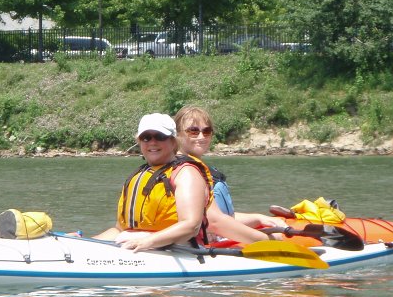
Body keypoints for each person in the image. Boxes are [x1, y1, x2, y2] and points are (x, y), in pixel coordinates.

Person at [94, 113, 212, 252]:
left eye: (160, 136)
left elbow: (190, 226)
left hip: (178, 251)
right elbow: (120, 230)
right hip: (139, 248)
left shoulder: (186, 174)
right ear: (139, 142)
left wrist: (147, 242)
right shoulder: (138, 176)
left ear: (174, 141)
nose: (152, 142)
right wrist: (83, 242)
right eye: (146, 137)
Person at [173, 106, 285, 241]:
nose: (201, 136)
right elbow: (214, 222)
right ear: (178, 134)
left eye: (207, 131)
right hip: (199, 249)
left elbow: (224, 217)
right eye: (193, 131)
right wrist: (268, 241)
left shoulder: (194, 167)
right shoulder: (187, 173)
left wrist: (258, 218)